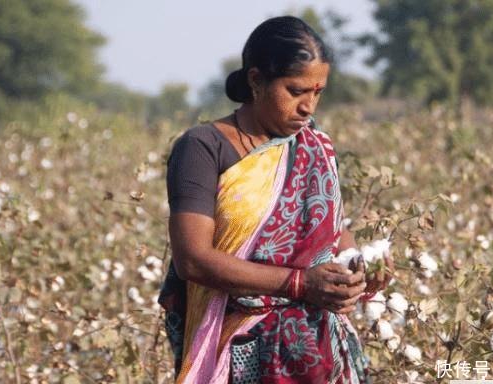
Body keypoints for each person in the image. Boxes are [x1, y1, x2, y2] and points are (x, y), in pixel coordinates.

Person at [158, 16, 392, 383]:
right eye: (296, 91)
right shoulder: (203, 147)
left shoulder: (313, 146)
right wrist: (299, 284)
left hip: (319, 350)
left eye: (317, 93)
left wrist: (358, 269)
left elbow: (332, 233)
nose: (308, 107)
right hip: (239, 347)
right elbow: (193, 259)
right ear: (256, 80)